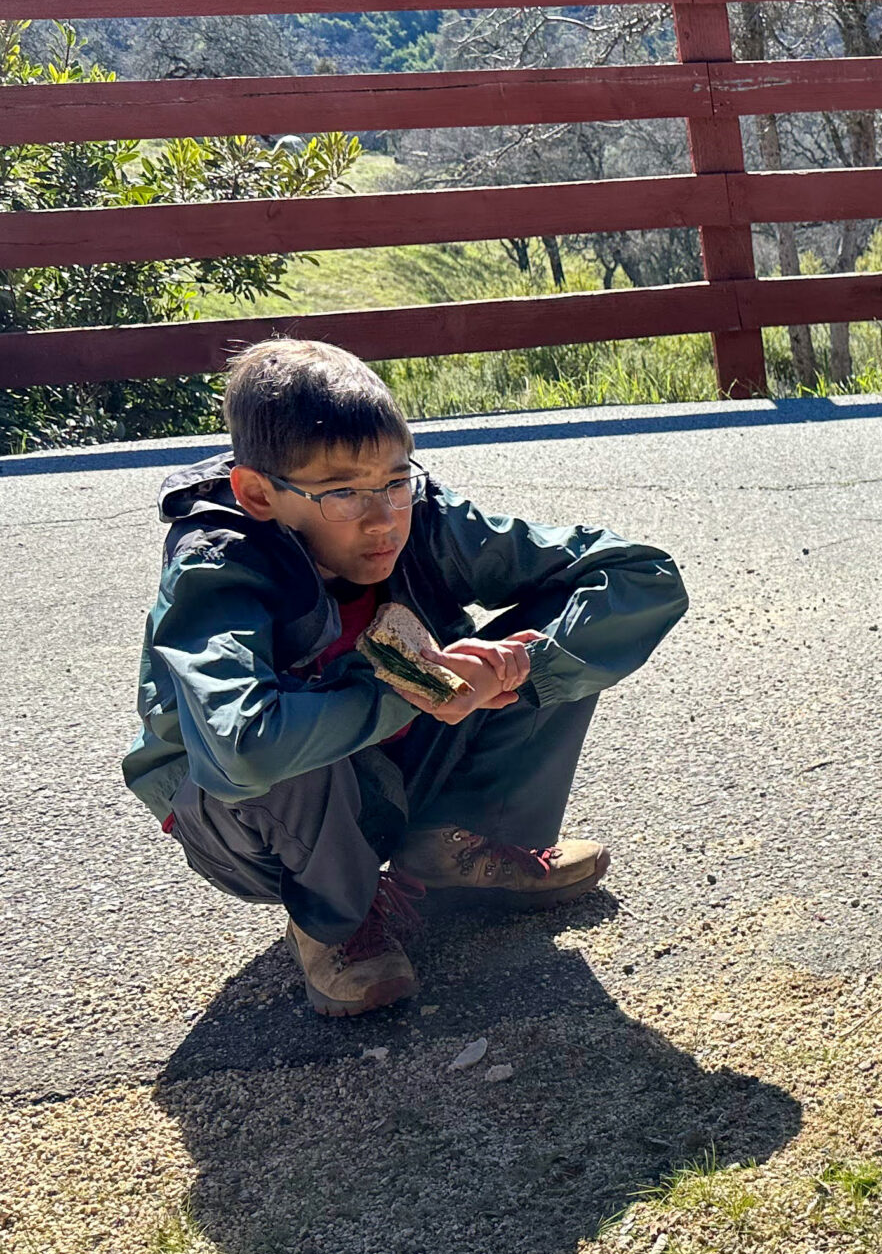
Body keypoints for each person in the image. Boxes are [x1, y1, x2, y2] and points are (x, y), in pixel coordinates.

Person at [126, 338, 689, 1018]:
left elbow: (638, 575)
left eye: (395, 481)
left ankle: (452, 844)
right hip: (248, 822)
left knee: (544, 636)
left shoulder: (420, 513)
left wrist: (517, 667)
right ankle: (335, 921)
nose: (383, 518)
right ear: (258, 492)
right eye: (342, 493)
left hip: (388, 761)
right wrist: (407, 689)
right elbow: (240, 746)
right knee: (280, 730)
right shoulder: (219, 565)